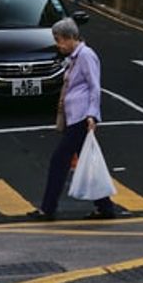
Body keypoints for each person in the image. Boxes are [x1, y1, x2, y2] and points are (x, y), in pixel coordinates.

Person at [28, 18, 118, 220]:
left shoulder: (86, 56)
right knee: (89, 164)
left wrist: (92, 114)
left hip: (82, 119)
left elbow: (94, 86)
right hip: (75, 118)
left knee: (58, 161)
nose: (57, 45)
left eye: (59, 40)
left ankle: (48, 209)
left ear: (70, 38)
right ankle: (105, 207)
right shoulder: (75, 57)